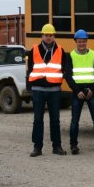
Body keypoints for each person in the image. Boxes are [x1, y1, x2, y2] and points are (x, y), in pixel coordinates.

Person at [27, 23, 70, 156]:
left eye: (51, 35)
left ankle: (57, 146)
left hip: (54, 90)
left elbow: (64, 68)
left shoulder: (60, 50)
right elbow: (30, 69)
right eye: (46, 35)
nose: (48, 37)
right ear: (42, 36)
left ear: (54, 36)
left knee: (55, 119)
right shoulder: (34, 50)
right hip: (38, 90)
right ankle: (37, 147)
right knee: (38, 119)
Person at [66, 29, 94, 155]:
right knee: (74, 121)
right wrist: (77, 91)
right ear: (76, 42)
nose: (82, 44)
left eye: (83, 41)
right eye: (79, 41)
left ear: (86, 42)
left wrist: (92, 89)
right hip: (78, 92)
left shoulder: (93, 55)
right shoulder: (71, 55)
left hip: (90, 91)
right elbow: (68, 75)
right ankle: (73, 145)